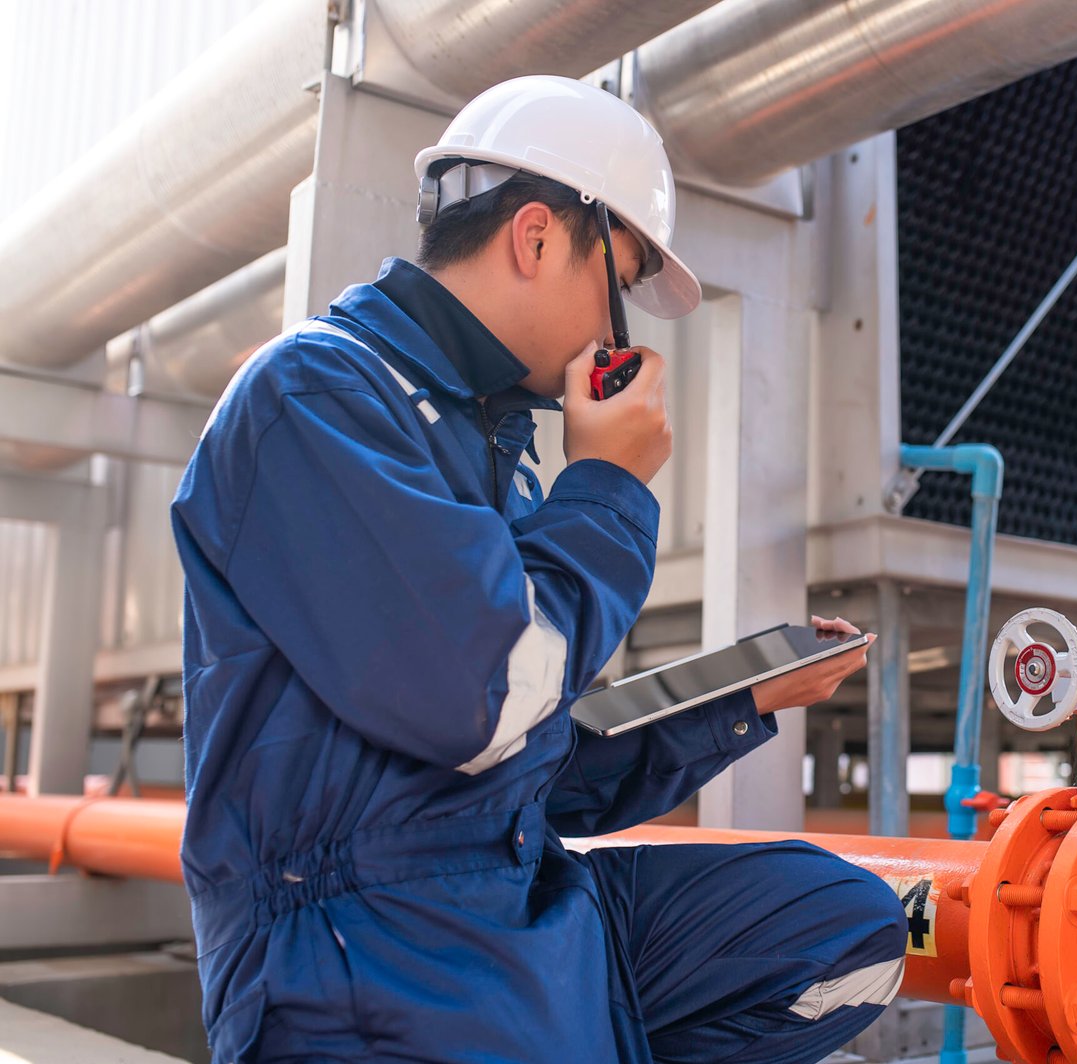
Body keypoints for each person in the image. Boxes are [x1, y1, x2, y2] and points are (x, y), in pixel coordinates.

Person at [172, 76, 907, 1063]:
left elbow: (535, 758)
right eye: (623, 281)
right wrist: (605, 483)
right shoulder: (311, 396)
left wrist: (737, 698)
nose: (617, 337)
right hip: (362, 960)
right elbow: (480, 702)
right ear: (538, 237)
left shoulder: (498, 448)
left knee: (841, 930)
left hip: (515, 898)